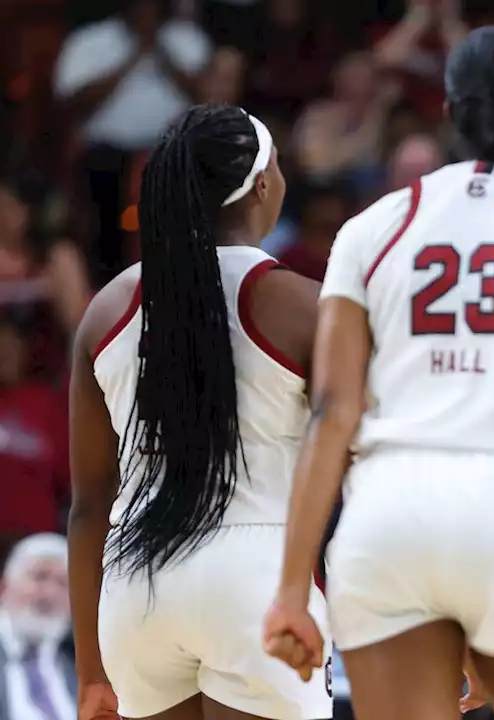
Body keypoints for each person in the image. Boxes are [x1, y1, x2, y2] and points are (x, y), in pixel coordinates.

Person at [261, 26, 494, 720]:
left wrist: (291, 587)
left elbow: (331, 413)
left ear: (448, 115)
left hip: (384, 516)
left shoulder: (373, 226)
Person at [68, 104, 330, 720]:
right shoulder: (303, 305)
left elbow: (88, 507)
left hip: (134, 588)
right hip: (257, 576)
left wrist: (89, 670)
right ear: (264, 183)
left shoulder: (106, 309)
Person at [0, 534, 75, 720]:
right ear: (5, 587)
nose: (50, 593)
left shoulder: (77, 670)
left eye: (63, 584)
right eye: (39, 577)